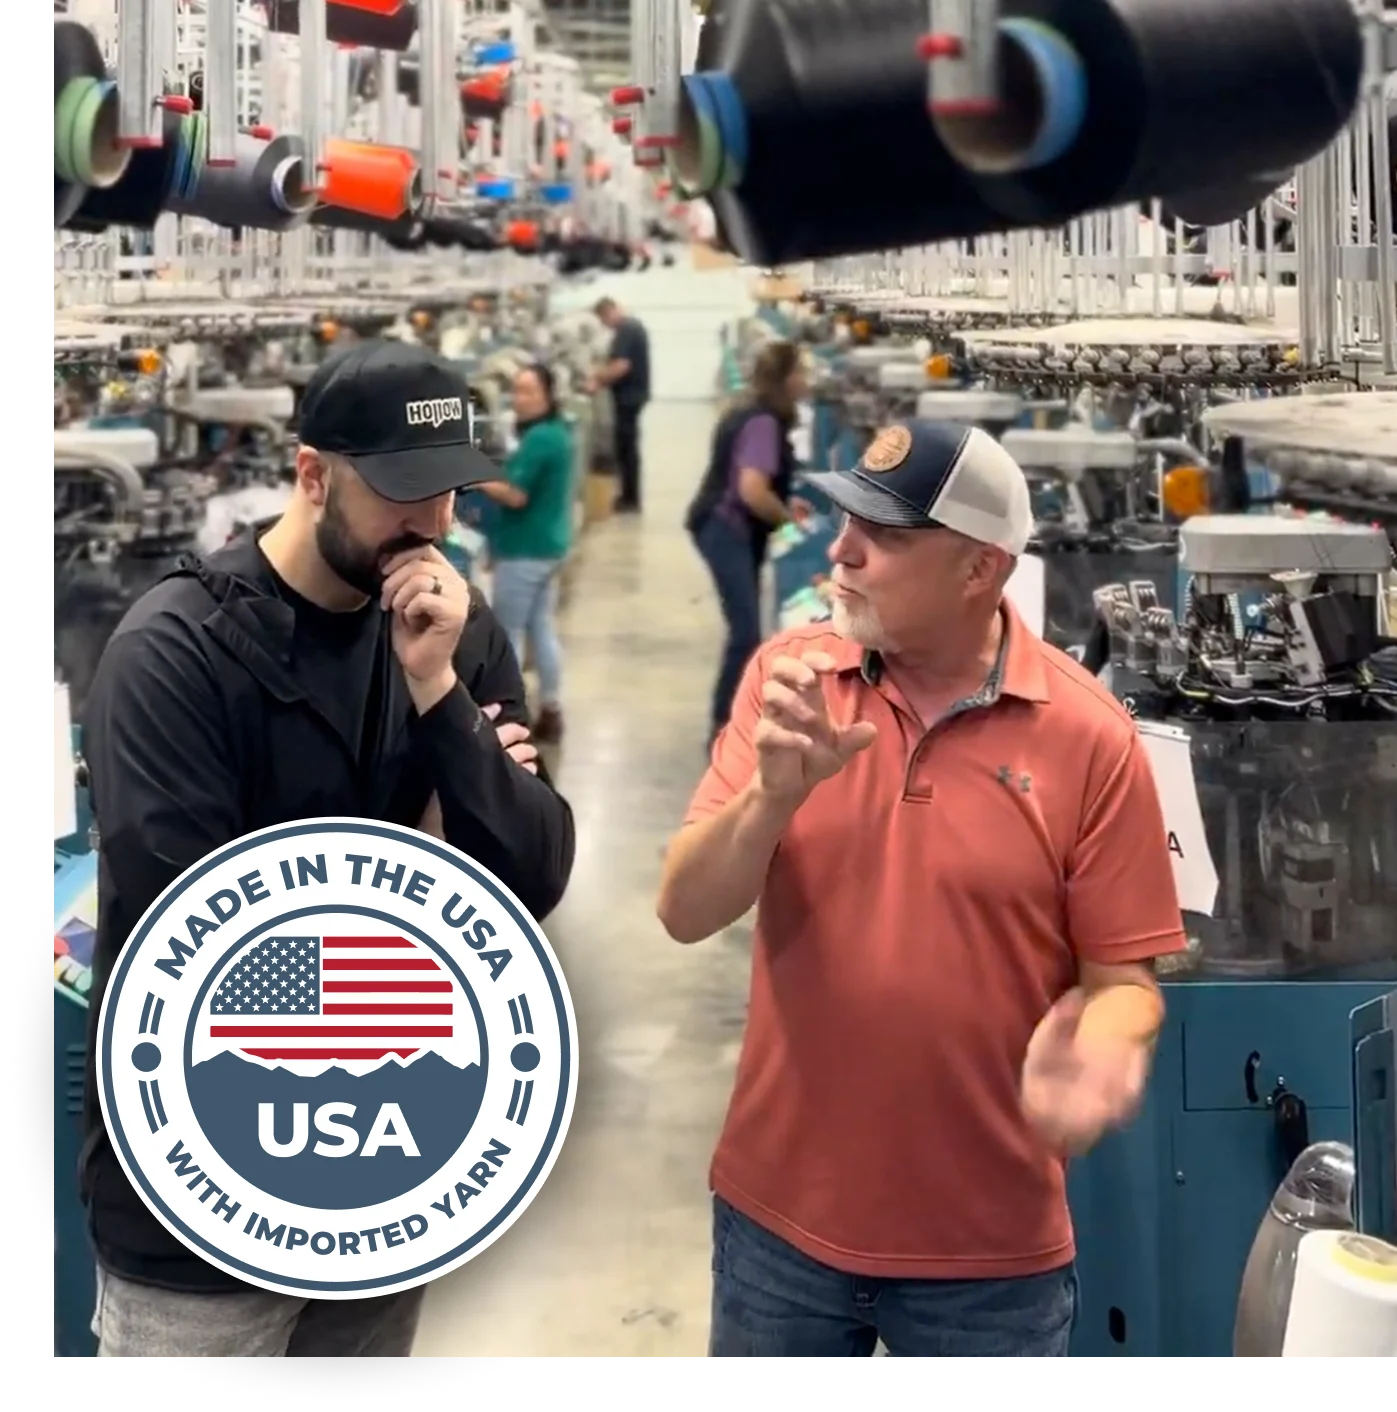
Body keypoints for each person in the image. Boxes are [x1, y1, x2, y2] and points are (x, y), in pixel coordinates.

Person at [79, 339, 577, 1359]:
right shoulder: (173, 654)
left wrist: (441, 697)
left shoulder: (454, 628)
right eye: (402, 494)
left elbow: (530, 875)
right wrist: (433, 871)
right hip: (204, 1198)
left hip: (386, 1181)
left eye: (449, 494)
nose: (432, 526)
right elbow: (212, 958)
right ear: (311, 475)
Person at [656, 419, 1186, 1361]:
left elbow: (1122, 985)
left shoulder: (1090, 739)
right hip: (779, 1225)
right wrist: (773, 798)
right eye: (845, 520)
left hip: (989, 1255)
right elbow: (684, 911)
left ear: (979, 571)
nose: (842, 551)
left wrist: (1105, 1049)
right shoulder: (793, 682)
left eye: (886, 537)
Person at [685, 340, 810, 748]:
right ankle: (723, 730)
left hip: (720, 525)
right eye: (802, 373)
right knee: (745, 633)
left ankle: (731, 722)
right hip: (727, 530)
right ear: (786, 378)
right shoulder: (763, 422)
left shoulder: (746, 410)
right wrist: (788, 521)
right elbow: (752, 490)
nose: (807, 382)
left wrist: (788, 504)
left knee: (744, 629)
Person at [476, 363, 574, 743]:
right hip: (548, 547)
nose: (518, 399)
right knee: (541, 629)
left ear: (548, 396)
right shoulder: (556, 433)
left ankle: (510, 719)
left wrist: (471, 473)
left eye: (528, 391)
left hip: (525, 550)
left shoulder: (540, 440)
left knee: (508, 635)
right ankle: (550, 708)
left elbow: (515, 495)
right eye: (515, 390)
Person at [587, 296, 650, 514]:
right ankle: (628, 496)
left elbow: (621, 366)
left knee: (626, 448)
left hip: (629, 397)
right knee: (626, 447)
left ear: (609, 312)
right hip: (632, 395)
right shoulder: (632, 327)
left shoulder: (627, 329)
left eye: (603, 320)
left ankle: (630, 500)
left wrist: (597, 380)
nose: (605, 326)